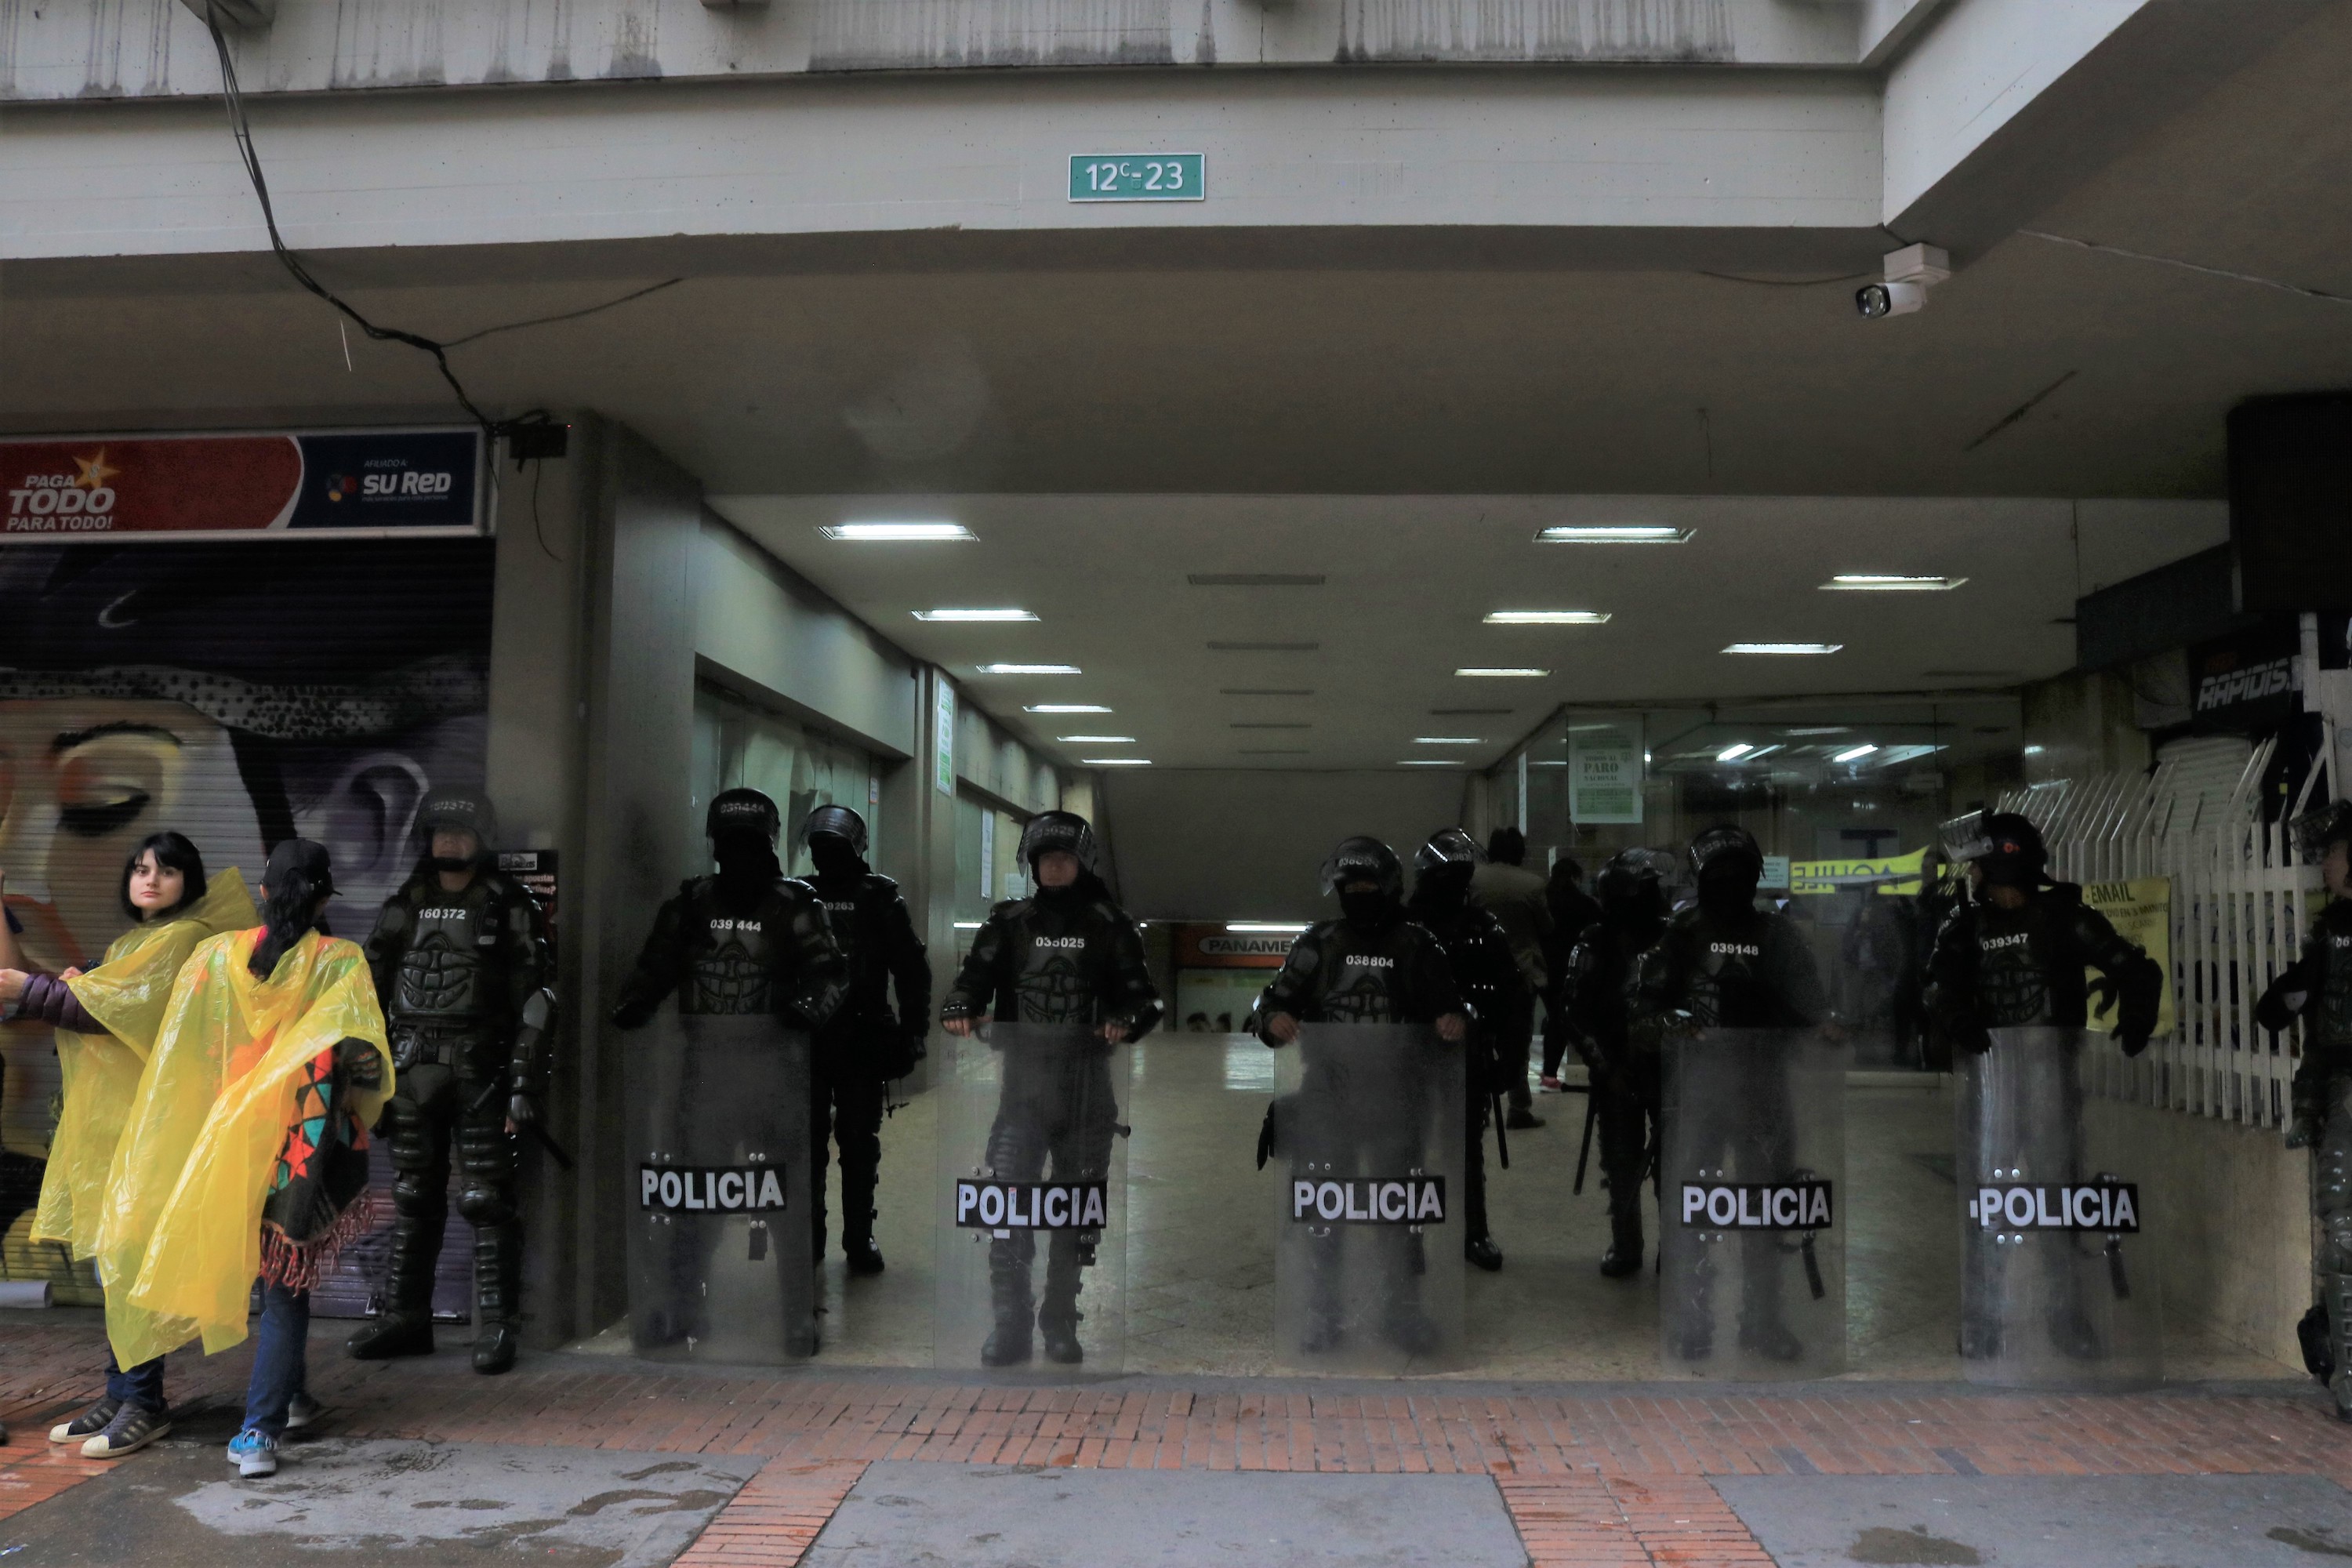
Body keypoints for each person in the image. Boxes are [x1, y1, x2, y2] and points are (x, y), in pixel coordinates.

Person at [103, 839, 393, 1479]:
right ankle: (261, 1430)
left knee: (256, 1279)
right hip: (299, 1152)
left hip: (222, 1146)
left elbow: (186, 1052)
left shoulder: (215, 958)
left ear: (263, 892)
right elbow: (364, 1058)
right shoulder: (340, 960)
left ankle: (285, 1400)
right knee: (284, 1289)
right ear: (322, 899)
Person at [1, 835, 255, 1459]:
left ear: (187, 883)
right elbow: (107, 995)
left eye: (167, 872)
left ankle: (144, 1401)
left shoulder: (182, 936)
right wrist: (84, 978)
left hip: (156, 1130)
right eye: (142, 869)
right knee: (117, 1261)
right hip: (129, 1130)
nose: (150, 880)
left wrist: (27, 989)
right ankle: (122, 1391)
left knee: (136, 1262)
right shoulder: (133, 943)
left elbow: (110, 1011)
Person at [609, 788, 849, 1348]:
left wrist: (804, 1013)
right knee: (696, 1194)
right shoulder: (691, 905)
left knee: (787, 1198)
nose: (740, 854)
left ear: (766, 843)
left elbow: (831, 973)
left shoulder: (796, 903)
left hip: (777, 1068)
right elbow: (657, 965)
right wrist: (636, 1003)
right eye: (731, 843)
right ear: (716, 845)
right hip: (705, 1070)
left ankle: (797, 1313)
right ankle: (681, 1301)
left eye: (750, 843)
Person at [1922, 810, 2161, 1364]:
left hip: (2052, 1077)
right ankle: (1983, 1318)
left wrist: (2136, 1018)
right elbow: (1935, 984)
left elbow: (2132, 967)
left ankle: (2066, 1314)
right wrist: (1955, 1014)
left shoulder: (2062, 916)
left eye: (1981, 863)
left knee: (2059, 1198)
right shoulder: (1965, 923)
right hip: (1993, 1079)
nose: (1974, 874)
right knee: (1990, 1200)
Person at [940, 810, 1160, 1367]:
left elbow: (1145, 999)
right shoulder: (1008, 923)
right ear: (1033, 865)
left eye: (1064, 858)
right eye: (1046, 859)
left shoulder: (1111, 924)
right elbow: (971, 981)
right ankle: (1009, 1323)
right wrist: (961, 1006)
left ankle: (1060, 1317)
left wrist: (1125, 1020)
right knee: (1008, 1205)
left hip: (1088, 1091)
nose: (1055, 867)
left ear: (1081, 862)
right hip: (1022, 1093)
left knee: (1076, 1213)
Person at [347, 791, 553, 1374]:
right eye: (439, 831)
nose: (450, 841)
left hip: (479, 1070)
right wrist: (369, 1079)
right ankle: (405, 1317)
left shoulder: (508, 907)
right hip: (412, 1067)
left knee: (486, 1200)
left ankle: (498, 1325)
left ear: (482, 837)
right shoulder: (402, 906)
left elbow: (537, 1001)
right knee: (413, 1197)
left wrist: (522, 1084)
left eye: (461, 831)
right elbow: (363, 998)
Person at [1254, 835, 1468, 1353]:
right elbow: (1271, 1000)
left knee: (1400, 1215)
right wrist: (1272, 1019)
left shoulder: (1419, 945)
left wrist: (1453, 1022)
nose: (1359, 892)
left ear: (1389, 886)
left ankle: (1403, 1312)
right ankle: (1323, 1314)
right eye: (1350, 885)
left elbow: (1455, 1007)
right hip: (1328, 1097)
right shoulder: (1317, 942)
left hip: (1399, 1099)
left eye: (1368, 884)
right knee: (1325, 1212)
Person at [1631, 825, 1833, 1361]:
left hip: (1764, 1088)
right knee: (1693, 1210)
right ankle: (1692, 1317)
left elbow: (1812, 1005)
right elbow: (1642, 1016)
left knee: (1765, 1211)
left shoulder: (1778, 935)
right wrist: (1672, 1023)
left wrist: (1820, 1026)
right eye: (1720, 877)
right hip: (1698, 1090)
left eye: (1738, 876)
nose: (1729, 886)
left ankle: (1763, 1320)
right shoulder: (1680, 936)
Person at [798, 803, 930, 1275]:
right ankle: (810, 1235)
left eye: (834, 847)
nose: (826, 855)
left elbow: (910, 970)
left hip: (861, 1038)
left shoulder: (878, 898)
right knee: (808, 1143)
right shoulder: (798, 895)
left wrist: (914, 1032)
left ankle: (858, 1235)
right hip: (809, 1040)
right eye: (820, 847)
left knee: (857, 1142)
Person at [2259, 800, 2352, 1419]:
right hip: (2337, 1089)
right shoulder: (2333, 930)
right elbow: (2296, 995)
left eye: (2331, 854)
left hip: (2342, 1091)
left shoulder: (2337, 930)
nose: (2323, 866)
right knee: (2342, 1237)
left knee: (2344, 1235)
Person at [1404, 827, 1524, 1272]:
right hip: (1411, 1055)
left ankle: (1474, 1232)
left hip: (1469, 1055)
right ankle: (1409, 1234)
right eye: (1448, 874)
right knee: (1409, 1148)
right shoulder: (1405, 928)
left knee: (1466, 1148)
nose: (1457, 883)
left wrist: (1509, 1060)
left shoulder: (1483, 927)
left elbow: (1511, 993)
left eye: (1463, 875)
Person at [1563, 848, 1673, 1278]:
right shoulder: (1594, 940)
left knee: (1672, 1164)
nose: (1654, 895)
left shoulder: (1675, 937)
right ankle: (1627, 1246)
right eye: (1645, 889)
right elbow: (1572, 1007)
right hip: (1616, 1068)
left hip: (1667, 1068)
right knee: (1622, 1163)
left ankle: (1675, 1247)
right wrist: (1605, 1064)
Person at [1471, 827, 1553, 1127]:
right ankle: (1519, 1108)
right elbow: (1546, 928)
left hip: (1478, 970)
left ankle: (1478, 1106)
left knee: (1478, 1040)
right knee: (1517, 1041)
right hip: (1521, 972)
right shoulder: (1532, 885)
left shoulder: (1473, 879)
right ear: (1520, 852)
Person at [1540, 857, 1603, 1091]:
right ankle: (1590, 1066)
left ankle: (1548, 1074)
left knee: (1555, 1019)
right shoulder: (1586, 904)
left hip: (1545, 968)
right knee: (1567, 1020)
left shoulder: (1543, 901)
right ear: (1576, 878)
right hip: (1575, 969)